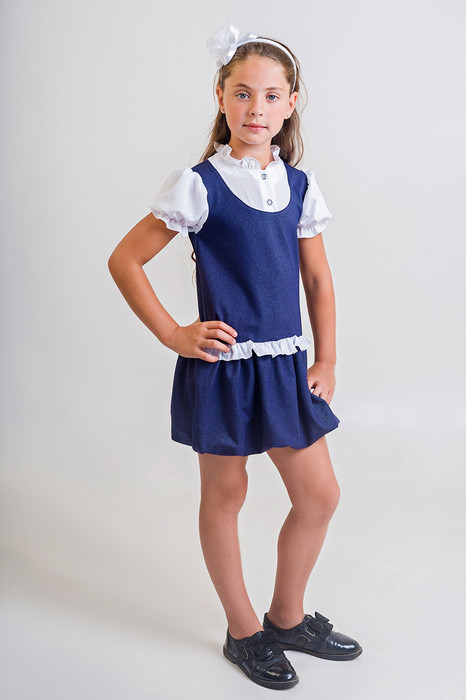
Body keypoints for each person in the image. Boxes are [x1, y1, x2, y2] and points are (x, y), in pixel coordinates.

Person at [108, 23, 362, 691]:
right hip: (222, 370)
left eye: (271, 95)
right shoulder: (199, 185)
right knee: (226, 494)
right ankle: (243, 630)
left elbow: (317, 281)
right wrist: (173, 333)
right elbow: (125, 260)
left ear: (292, 103)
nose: (256, 108)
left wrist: (327, 359)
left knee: (319, 495)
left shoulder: (299, 186)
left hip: (285, 369)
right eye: (243, 93)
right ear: (220, 97)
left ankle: (287, 617)